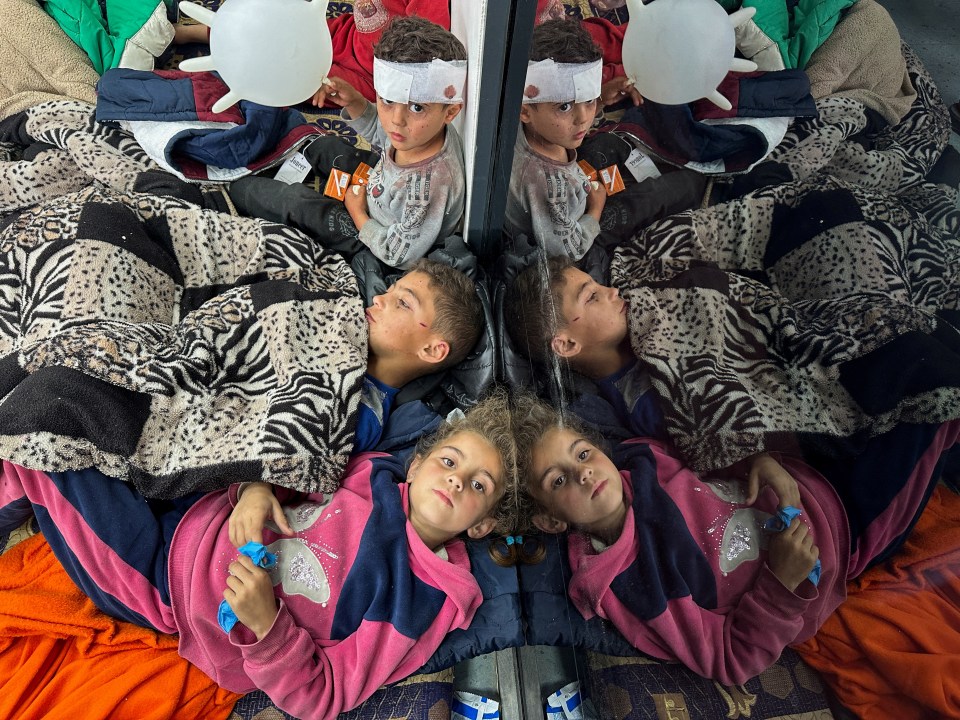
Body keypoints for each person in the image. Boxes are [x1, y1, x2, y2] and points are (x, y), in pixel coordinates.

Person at [0, 390, 520, 720]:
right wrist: (253, 491)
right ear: (422, 460)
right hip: (195, 504)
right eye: (450, 460)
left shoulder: (423, 602)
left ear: (482, 524)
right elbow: (298, 477)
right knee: (74, 401)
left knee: (42, 435)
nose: (456, 478)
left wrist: (267, 627)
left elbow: (323, 696)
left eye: (478, 483)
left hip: (164, 584)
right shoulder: (378, 473)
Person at [511, 393, 960, 685]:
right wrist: (781, 586)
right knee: (939, 409)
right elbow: (729, 661)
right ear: (552, 522)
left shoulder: (639, 459)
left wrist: (759, 460)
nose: (584, 471)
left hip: (803, 467)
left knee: (910, 369)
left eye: (584, 454)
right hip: (848, 530)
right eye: (558, 481)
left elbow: (708, 450)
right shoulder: (636, 588)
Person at [234, 15, 467, 270]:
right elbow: (384, 135)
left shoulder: (427, 189)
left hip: (374, 241)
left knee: (299, 205)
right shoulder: (420, 134)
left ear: (451, 113)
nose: (396, 121)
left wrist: (358, 213)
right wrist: (356, 102)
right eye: (387, 101)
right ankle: (270, 155)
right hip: (379, 188)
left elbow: (399, 255)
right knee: (324, 146)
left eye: (417, 107)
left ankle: (232, 188)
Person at [504, 19, 706, 260]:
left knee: (609, 145)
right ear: (525, 111)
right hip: (576, 237)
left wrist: (601, 100)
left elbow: (568, 111)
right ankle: (702, 185)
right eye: (565, 106)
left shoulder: (529, 125)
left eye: (589, 99)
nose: (583, 118)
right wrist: (595, 208)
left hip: (571, 191)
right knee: (650, 200)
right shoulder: (545, 186)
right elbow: (569, 250)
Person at [505, 254, 664, 442]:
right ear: (567, 345)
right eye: (592, 297)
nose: (613, 290)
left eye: (597, 283)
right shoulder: (648, 406)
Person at [354, 258, 482, 451]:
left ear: (431, 350)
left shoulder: (361, 420)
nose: (378, 299)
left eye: (403, 303)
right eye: (389, 290)